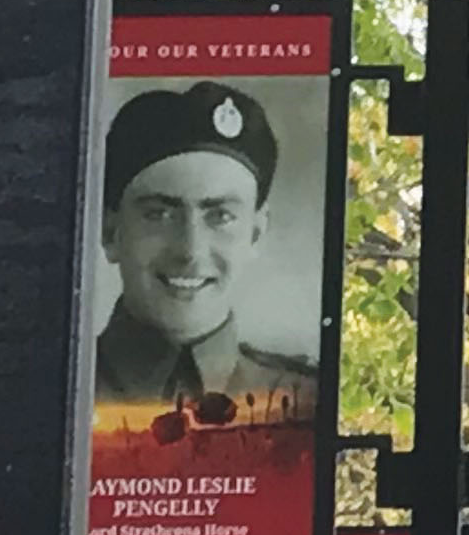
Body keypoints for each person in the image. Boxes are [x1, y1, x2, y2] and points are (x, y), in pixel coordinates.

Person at [93, 80, 316, 412]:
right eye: (159, 214)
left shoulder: (304, 401)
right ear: (111, 232)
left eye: (220, 216)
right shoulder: (43, 387)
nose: (190, 251)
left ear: (254, 234)